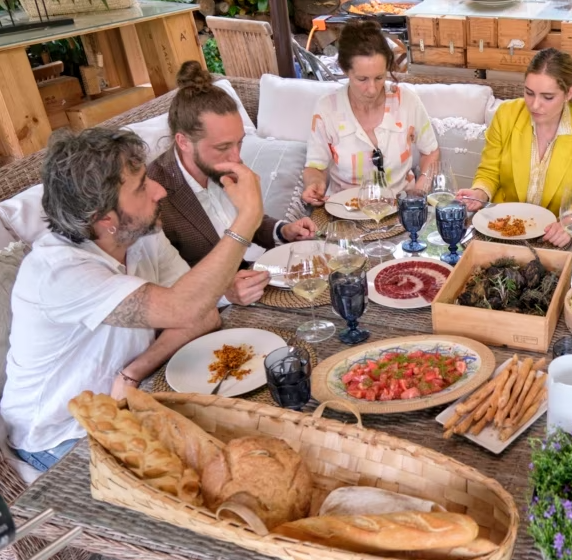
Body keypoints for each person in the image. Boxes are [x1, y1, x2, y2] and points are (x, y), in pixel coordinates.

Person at [1, 128, 266, 472]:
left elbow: (200, 310)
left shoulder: (140, 234)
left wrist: (132, 371)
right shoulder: (59, 272)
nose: (159, 190)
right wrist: (247, 218)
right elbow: (185, 307)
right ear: (103, 218)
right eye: (141, 186)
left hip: (134, 398)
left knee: (252, 437)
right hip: (64, 436)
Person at [148, 62, 317, 306]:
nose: (236, 157)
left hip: (258, 281)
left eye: (239, 143)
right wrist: (223, 294)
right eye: (223, 147)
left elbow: (247, 223)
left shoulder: (220, 165)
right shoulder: (155, 196)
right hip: (209, 313)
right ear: (183, 142)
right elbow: (161, 291)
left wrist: (283, 230)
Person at [455, 48, 572, 248]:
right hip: (509, 229)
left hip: (558, 234)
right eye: (529, 93)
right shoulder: (506, 115)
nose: (535, 105)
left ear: (568, 93)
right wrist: (480, 192)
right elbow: (489, 172)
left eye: (547, 97)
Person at [301, 19, 439, 204]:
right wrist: (314, 184)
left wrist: (419, 191)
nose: (372, 89)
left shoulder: (406, 101)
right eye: (362, 79)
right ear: (344, 70)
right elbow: (315, 167)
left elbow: (431, 152)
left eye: (379, 77)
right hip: (345, 213)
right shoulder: (327, 109)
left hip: (402, 210)